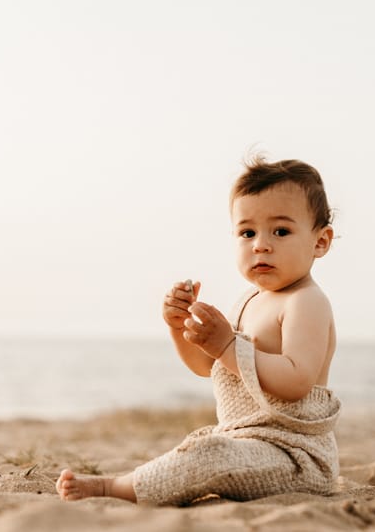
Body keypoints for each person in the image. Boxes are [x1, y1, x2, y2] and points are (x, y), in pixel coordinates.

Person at [56, 155, 341, 505]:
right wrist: (180, 327)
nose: (260, 244)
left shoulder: (306, 302)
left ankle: (114, 488)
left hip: (296, 457)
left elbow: (296, 381)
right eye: (247, 232)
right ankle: (136, 481)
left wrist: (225, 345)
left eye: (280, 231)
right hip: (247, 443)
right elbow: (208, 367)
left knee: (212, 455)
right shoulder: (248, 300)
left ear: (320, 241)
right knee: (202, 447)